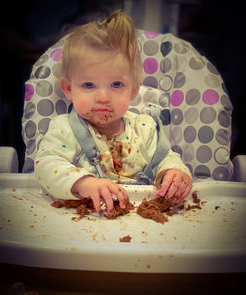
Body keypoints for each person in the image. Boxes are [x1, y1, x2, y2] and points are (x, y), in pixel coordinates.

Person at [34, 10, 192, 213]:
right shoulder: (65, 129)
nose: (102, 97)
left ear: (133, 90)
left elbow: (166, 158)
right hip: (86, 223)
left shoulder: (145, 128)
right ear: (68, 89)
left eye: (116, 84)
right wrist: (82, 183)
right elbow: (46, 165)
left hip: (142, 224)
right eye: (89, 85)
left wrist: (174, 173)